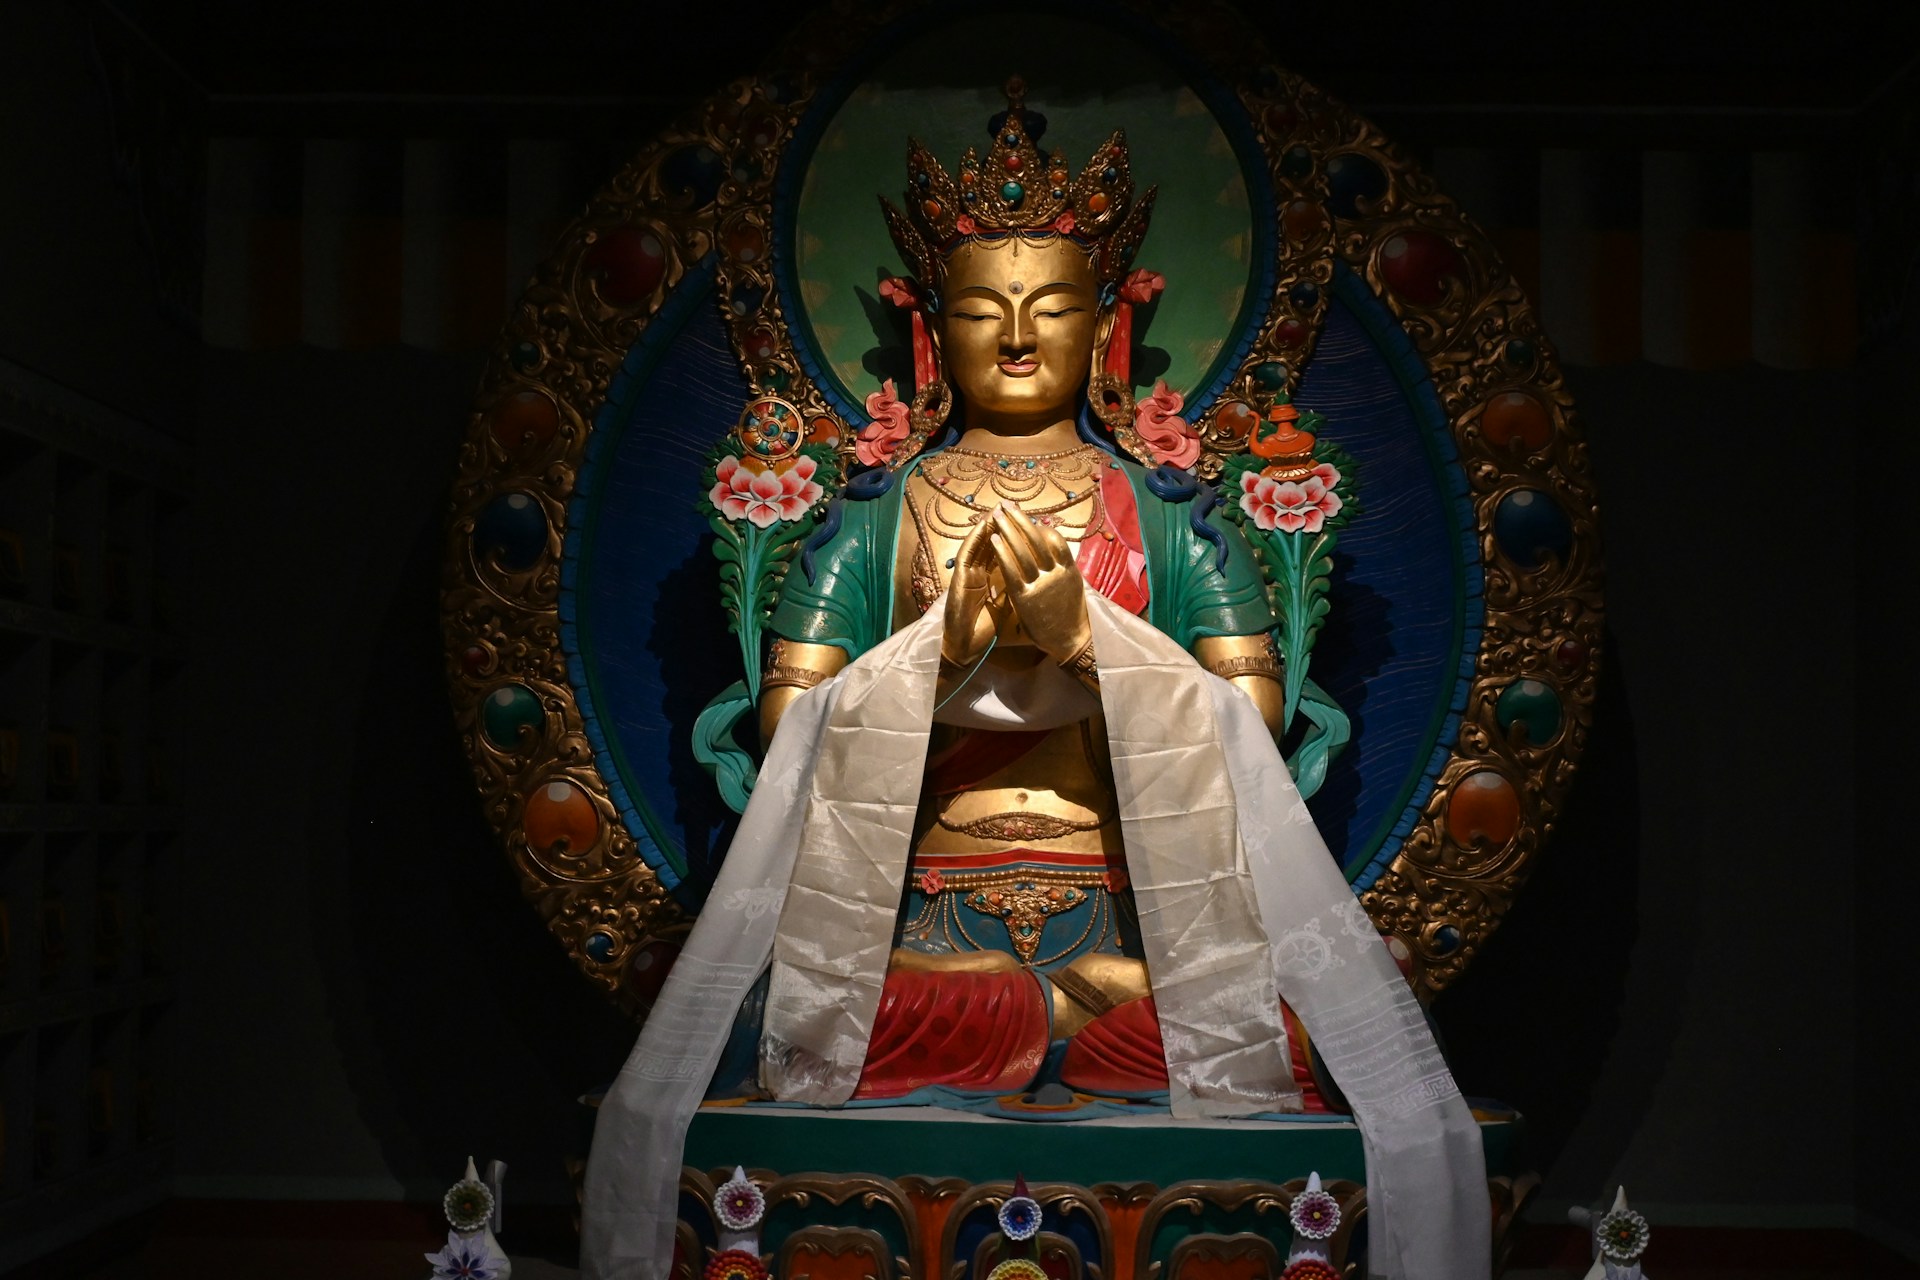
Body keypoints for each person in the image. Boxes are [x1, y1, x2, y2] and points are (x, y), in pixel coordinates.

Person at [583, 88, 1489, 1280]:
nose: (1016, 337)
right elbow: (791, 723)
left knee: (1275, 1031)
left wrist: (1093, 643)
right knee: (797, 1024)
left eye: (1052, 307)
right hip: (914, 927)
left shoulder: (1171, 519)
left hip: (1138, 919)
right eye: (981, 310)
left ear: (1105, 327)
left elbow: (1251, 723)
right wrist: (938, 658)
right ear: (934, 333)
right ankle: (1045, 1013)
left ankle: (1041, 1010)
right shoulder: (878, 516)